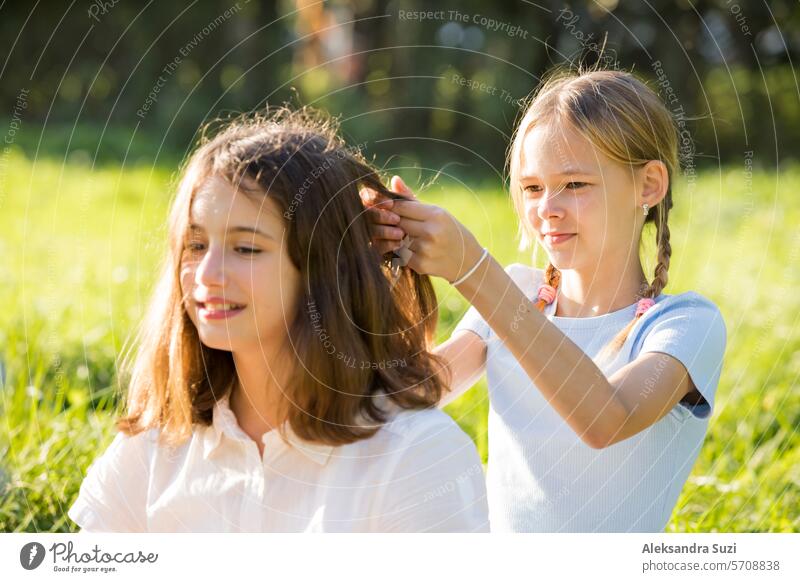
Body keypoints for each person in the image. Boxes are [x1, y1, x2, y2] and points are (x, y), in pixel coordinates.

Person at [67, 108, 488, 533]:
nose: (207, 275)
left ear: (324, 270)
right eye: (195, 245)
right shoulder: (157, 442)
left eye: (246, 249)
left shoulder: (417, 456)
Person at [364, 68, 727, 532]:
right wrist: (376, 270)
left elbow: (606, 419)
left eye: (575, 184)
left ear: (649, 186)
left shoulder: (685, 326)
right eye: (533, 187)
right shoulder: (517, 292)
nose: (546, 208)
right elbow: (416, 391)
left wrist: (474, 270)